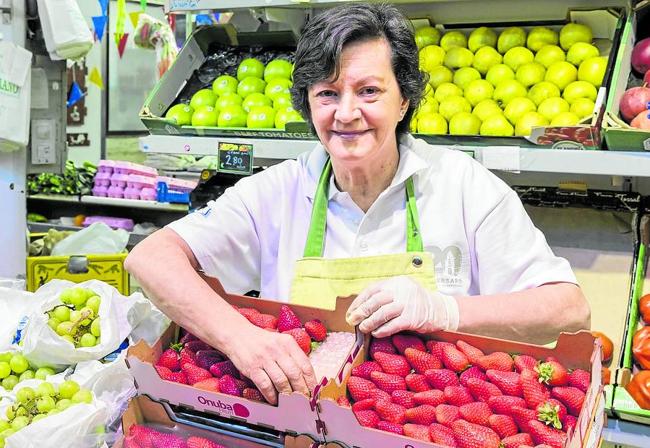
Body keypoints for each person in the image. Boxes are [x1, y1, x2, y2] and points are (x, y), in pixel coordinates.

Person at [125, 3, 590, 405]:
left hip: (418, 423)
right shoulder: (277, 190)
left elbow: (569, 309)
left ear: (404, 99)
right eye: (327, 94)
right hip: (302, 424)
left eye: (369, 91)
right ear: (308, 105)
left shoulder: (463, 186)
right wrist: (242, 339)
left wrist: (446, 312)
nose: (346, 114)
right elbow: (150, 258)